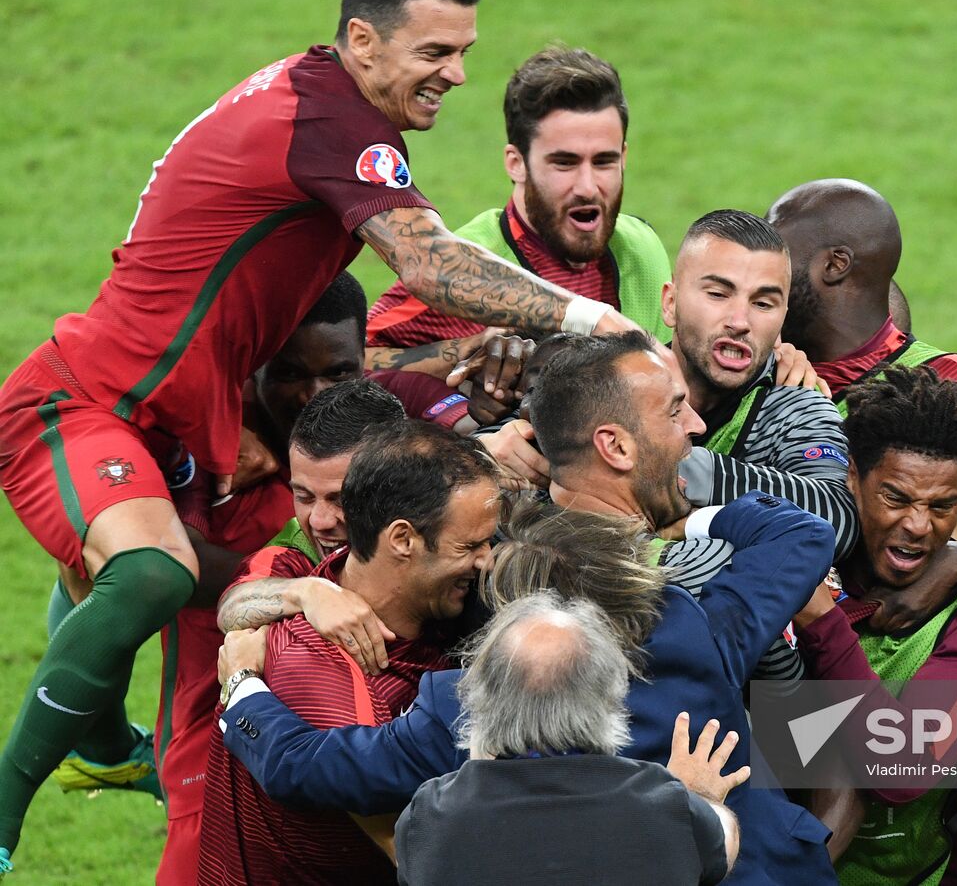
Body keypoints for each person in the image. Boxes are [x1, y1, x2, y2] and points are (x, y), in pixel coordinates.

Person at [0, 0, 632, 872]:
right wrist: (594, 324)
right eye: (436, 52)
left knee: (154, 607)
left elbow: (347, 338)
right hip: (85, 401)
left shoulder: (311, 98)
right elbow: (428, 261)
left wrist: (460, 359)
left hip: (189, 434)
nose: (457, 73)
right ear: (362, 40)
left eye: (464, 49)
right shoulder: (332, 124)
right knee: (152, 576)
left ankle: (93, 740)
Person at [214, 333, 840, 886]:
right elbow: (803, 535)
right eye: (472, 545)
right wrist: (690, 519)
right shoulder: (692, 626)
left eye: (485, 548)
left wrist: (242, 687)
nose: (479, 559)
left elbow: (306, 770)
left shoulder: (467, 703)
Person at [198, 420, 500, 885]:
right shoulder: (336, 684)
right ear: (402, 539)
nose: (488, 560)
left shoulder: (324, 577)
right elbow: (425, 858)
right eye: (471, 545)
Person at [766, 179, 957, 631]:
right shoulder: (752, 367)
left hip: (901, 686)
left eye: (778, 251)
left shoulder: (946, 381)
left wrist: (952, 563)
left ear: (834, 265)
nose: (760, 264)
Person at [793, 365, 957, 884]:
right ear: (851, 480)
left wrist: (821, 622)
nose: (917, 526)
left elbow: (902, 769)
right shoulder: (814, 561)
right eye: (896, 498)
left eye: (942, 506)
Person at [395, 591, 741, 885]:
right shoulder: (664, 805)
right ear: (610, 699)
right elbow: (721, 846)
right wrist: (698, 795)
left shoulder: (430, 814)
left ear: (481, 698)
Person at [366, 45, 671, 374]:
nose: (587, 186)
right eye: (564, 163)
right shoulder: (466, 264)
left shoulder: (643, 247)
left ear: (624, 157)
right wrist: (464, 352)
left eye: (604, 162)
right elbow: (350, 363)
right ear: (517, 164)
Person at [664, 209, 858, 561]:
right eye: (718, 294)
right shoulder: (614, 381)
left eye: (762, 303)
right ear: (670, 302)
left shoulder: (797, 406)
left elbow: (838, 520)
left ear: (782, 321)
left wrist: (680, 470)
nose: (740, 321)